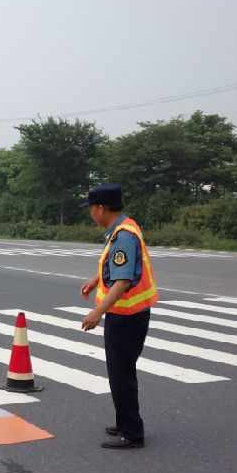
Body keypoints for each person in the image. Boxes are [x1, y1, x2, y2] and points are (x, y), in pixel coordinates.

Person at [79, 184, 158, 449]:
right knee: (121, 372)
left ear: (101, 208)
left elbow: (123, 281)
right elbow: (117, 269)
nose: (91, 214)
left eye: (91, 209)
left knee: (121, 374)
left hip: (126, 316)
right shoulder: (124, 228)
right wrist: (94, 280)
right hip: (128, 315)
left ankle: (132, 432)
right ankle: (125, 421)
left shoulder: (123, 236)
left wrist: (96, 313)